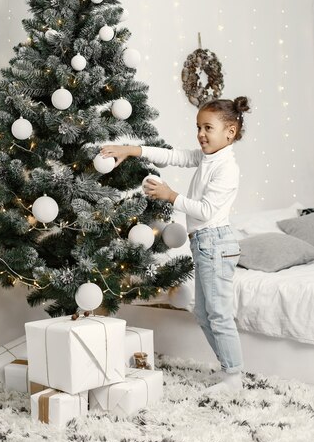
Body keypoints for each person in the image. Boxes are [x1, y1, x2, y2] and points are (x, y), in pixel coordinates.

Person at [100, 96, 251, 395]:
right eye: (198, 127)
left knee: (218, 313)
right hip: (206, 245)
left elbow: (206, 211)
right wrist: (131, 150)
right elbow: (174, 156)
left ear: (230, 132)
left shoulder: (227, 168)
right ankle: (229, 370)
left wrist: (170, 195)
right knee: (204, 314)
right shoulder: (208, 157)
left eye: (208, 127)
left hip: (216, 244)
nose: (201, 134)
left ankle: (234, 377)